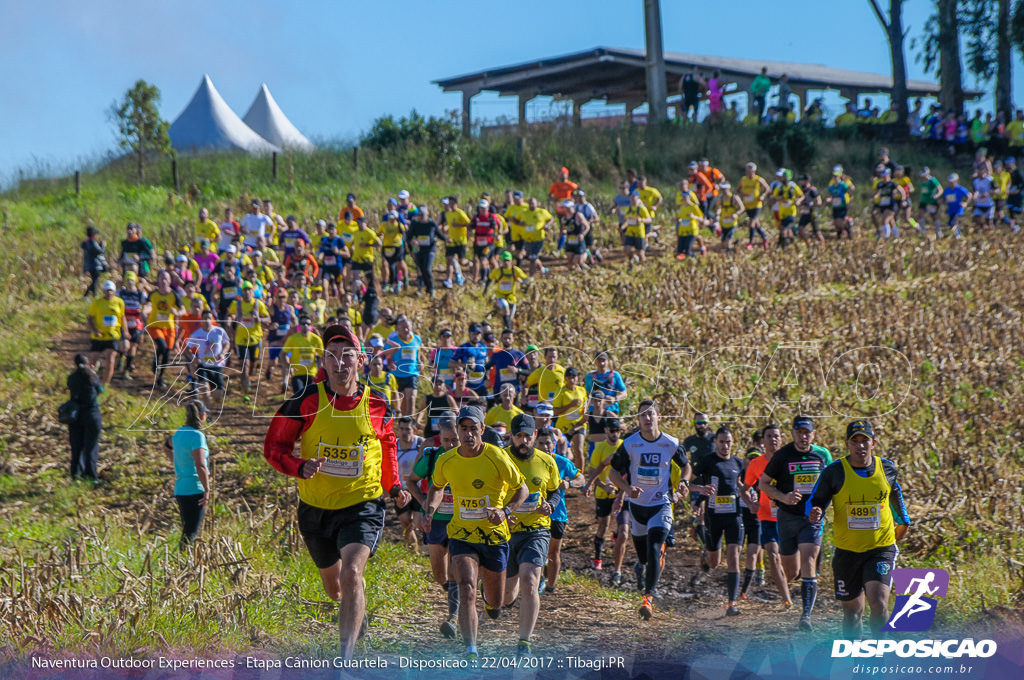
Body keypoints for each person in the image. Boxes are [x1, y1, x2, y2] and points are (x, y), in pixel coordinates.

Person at [263, 324, 410, 660]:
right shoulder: (305, 401)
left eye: (347, 356)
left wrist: (394, 486)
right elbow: (275, 446)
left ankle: (343, 660)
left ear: (360, 360)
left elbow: (387, 446)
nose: (340, 362)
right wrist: (299, 466)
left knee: (352, 571)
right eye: (332, 356)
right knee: (336, 589)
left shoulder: (377, 404)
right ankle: (356, 610)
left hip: (363, 503)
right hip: (315, 507)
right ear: (324, 362)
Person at [421, 406, 529, 662]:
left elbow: (521, 489)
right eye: (463, 429)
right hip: (461, 534)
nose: (468, 434)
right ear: (457, 431)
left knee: (495, 602)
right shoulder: (447, 460)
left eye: (473, 429)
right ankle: (471, 648)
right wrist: (430, 510)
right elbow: (436, 487)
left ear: (482, 430)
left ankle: (488, 595)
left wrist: (505, 511)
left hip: (494, 536)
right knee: (465, 586)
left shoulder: (497, 456)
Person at [809, 420, 911, 637]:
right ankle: (855, 658)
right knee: (853, 612)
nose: (860, 446)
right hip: (847, 551)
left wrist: (903, 522)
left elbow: (896, 497)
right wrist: (815, 511)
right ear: (847, 444)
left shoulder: (888, 468)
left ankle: (879, 656)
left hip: (880, 548)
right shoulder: (834, 472)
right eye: (854, 441)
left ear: (873, 442)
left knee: (879, 603)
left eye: (864, 440)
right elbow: (816, 500)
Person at [608, 400, 691, 620]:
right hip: (637, 507)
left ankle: (648, 598)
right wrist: (626, 489)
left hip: (661, 505)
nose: (647, 418)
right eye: (642, 415)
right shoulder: (629, 444)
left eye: (651, 414)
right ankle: (643, 567)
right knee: (644, 557)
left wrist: (684, 482)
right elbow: (612, 474)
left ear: (659, 417)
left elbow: (686, 465)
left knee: (655, 548)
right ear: (638, 420)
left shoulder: (670, 443)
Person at [759, 415, 832, 631]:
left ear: (813, 434)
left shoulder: (822, 455)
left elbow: (832, 484)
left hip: (811, 519)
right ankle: (796, 584)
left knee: (809, 560)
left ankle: (806, 616)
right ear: (793, 433)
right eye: (799, 432)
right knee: (791, 572)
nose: (803, 436)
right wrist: (783, 497)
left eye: (807, 432)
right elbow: (764, 484)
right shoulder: (782, 456)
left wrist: (822, 507)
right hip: (787, 518)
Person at [501, 414, 562, 658]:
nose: (524, 441)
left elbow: (556, 490)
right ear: (511, 437)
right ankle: (492, 595)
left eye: (528, 436)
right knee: (505, 597)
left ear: (535, 435)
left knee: (530, 580)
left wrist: (551, 505)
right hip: (504, 532)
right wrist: (504, 514)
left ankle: (524, 642)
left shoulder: (547, 461)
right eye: (519, 436)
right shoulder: (500, 458)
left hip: (536, 530)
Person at [406, 418, 461, 638]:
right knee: (440, 575)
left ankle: (454, 617)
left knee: (457, 570)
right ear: (440, 438)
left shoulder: (471, 458)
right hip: (436, 521)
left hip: (461, 521)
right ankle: (457, 593)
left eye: (454, 440)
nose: (450, 445)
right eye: (446, 440)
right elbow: (411, 481)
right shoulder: (431, 456)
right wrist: (423, 504)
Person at [690, 426, 753, 616]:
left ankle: (731, 604)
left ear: (733, 443)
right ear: (715, 442)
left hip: (734, 517)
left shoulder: (738, 463)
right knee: (715, 562)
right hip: (714, 517)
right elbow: (689, 482)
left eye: (728, 442)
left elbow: (743, 487)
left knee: (734, 558)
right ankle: (705, 555)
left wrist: (750, 498)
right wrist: (700, 492)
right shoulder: (707, 461)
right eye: (722, 442)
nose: (725, 445)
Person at [744, 423, 792, 606]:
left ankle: (785, 584)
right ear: (763, 441)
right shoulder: (756, 464)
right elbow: (745, 489)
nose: (773, 440)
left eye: (776, 436)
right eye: (769, 436)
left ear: (782, 439)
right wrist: (751, 504)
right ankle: (787, 600)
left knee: (790, 564)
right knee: (772, 554)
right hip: (766, 516)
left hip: (789, 516)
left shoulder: (788, 460)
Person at [583, 418, 631, 584]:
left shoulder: (625, 445)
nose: (615, 434)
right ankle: (598, 558)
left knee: (623, 529)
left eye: (617, 431)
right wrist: (604, 487)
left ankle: (616, 541)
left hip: (622, 494)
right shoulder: (600, 448)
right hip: (604, 493)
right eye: (612, 431)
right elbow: (593, 474)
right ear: (606, 431)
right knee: (603, 524)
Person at [165, 400, 211, 548]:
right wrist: (207, 489)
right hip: (195, 488)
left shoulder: (179, 433)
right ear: (202, 416)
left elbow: (166, 446)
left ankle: (182, 563)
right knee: (190, 533)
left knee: (187, 529)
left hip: (181, 488)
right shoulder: (197, 436)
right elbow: (200, 464)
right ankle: (181, 563)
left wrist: (178, 462)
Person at [66, 353, 103, 482]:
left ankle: (76, 475)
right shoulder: (92, 376)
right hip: (92, 414)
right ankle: (91, 476)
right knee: (91, 447)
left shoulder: (72, 377)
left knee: (77, 447)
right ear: (88, 363)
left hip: (75, 415)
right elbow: (99, 390)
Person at [145, 271, 184, 389]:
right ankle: (155, 363)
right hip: (155, 325)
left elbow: (182, 309)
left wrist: (177, 312)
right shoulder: (153, 294)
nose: (163, 281)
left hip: (169, 326)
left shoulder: (174, 294)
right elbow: (148, 305)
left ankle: (161, 376)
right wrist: (144, 311)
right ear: (158, 280)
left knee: (167, 351)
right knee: (161, 346)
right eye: (161, 278)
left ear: (170, 281)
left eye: (166, 279)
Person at [86, 280, 127, 386]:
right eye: (107, 291)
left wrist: (126, 332)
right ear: (104, 291)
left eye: (111, 291)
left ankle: (105, 384)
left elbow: (122, 317)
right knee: (93, 360)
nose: (109, 293)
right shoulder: (97, 302)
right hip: (99, 336)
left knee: (110, 358)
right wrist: (95, 330)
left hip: (113, 335)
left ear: (114, 291)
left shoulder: (119, 302)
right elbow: (90, 318)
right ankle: (91, 382)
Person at [233, 281, 270, 396]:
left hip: (255, 339)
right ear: (242, 292)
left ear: (252, 292)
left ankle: (246, 378)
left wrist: (261, 320)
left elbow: (268, 318)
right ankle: (246, 391)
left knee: (253, 367)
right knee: (244, 366)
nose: (247, 292)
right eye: (245, 290)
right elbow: (229, 315)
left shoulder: (259, 304)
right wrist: (231, 321)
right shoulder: (237, 304)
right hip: (241, 340)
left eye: (249, 290)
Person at [281, 314, 324, 396]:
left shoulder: (316, 339)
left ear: (311, 326)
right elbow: (283, 354)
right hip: (297, 373)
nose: (305, 326)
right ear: (299, 325)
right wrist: (288, 366)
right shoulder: (293, 338)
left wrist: (321, 368)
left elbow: (323, 355)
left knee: (310, 397)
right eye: (303, 323)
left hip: (312, 374)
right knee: (299, 396)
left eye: (308, 324)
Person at [408, 205, 441, 297]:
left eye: (423, 215)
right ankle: (426, 288)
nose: (421, 217)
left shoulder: (432, 224)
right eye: (419, 215)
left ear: (427, 214)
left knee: (427, 269)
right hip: (418, 249)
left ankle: (432, 289)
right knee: (421, 269)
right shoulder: (415, 223)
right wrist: (412, 242)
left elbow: (439, 234)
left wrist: (447, 239)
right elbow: (409, 237)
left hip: (430, 249)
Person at [738, 163, 771, 249]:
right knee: (757, 225)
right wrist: (743, 194)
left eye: (749, 171)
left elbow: (767, 189)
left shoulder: (758, 179)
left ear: (754, 171)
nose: (748, 173)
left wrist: (763, 196)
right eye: (746, 171)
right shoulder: (743, 179)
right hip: (747, 205)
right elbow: (738, 190)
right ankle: (764, 239)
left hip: (757, 205)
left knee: (751, 223)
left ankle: (750, 242)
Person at [621, 192, 651, 265]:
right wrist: (622, 227)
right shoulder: (628, 209)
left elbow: (649, 220)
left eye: (633, 198)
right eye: (631, 198)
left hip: (639, 233)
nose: (632, 200)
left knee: (640, 253)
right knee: (626, 250)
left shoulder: (642, 209)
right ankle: (634, 257)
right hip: (630, 232)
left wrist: (641, 220)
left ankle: (644, 266)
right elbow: (627, 220)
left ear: (638, 198)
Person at [942, 173, 971, 238]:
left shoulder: (960, 189)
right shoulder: (947, 190)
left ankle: (958, 236)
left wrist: (965, 203)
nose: (951, 183)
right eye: (950, 182)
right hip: (950, 210)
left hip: (958, 210)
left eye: (953, 182)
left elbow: (969, 195)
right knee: (950, 223)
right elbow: (945, 199)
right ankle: (958, 234)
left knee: (954, 221)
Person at [81, 227, 107, 298]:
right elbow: (100, 251)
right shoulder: (92, 242)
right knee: (95, 280)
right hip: (95, 264)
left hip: (89, 265)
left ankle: (87, 295)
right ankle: (93, 295)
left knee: (94, 280)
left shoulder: (86, 243)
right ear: (94, 235)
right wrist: (103, 246)